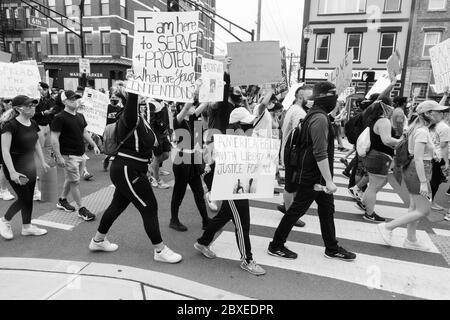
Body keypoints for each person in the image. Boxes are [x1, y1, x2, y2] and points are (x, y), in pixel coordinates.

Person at [89, 75, 182, 264]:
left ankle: (98, 240)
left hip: (133, 169)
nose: (144, 96)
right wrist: (135, 82)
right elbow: (132, 100)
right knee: (149, 207)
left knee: (117, 206)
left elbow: (149, 144)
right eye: (140, 94)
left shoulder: (140, 118)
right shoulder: (128, 117)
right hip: (126, 169)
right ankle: (159, 250)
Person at [267, 82, 356, 262]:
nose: (336, 99)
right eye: (334, 96)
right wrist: (329, 181)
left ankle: (331, 247)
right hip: (313, 177)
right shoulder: (319, 119)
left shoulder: (315, 115)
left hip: (314, 175)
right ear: (325, 97)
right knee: (296, 211)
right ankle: (276, 245)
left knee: (326, 210)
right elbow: (319, 153)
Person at [194, 96, 272, 276]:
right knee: (243, 223)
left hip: (239, 184)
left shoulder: (240, 139)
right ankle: (247, 260)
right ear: (235, 125)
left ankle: (203, 242)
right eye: (246, 125)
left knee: (223, 216)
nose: (249, 127)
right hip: (232, 187)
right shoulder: (224, 141)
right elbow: (210, 163)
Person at [377, 101, 448, 251]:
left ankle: (411, 239)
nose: (441, 114)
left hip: (416, 170)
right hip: (419, 171)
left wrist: (433, 153)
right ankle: (388, 226)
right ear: (428, 114)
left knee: (414, 207)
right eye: (437, 111)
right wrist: (423, 182)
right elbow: (418, 158)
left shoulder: (418, 128)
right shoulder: (422, 131)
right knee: (424, 210)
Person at [0, 96, 50, 240]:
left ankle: (27, 227)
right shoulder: (10, 125)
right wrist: (12, 171)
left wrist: (43, 162)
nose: (32, 108)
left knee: (29, 198)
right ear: (18, 109)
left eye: (33, 105)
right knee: (24, 197)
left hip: (30, 165)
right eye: (28, 106)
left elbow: (36, 144)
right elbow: (5, 150)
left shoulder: (33, 123)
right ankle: (4, 220)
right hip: (15, 166)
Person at [51, 90, 100, 221]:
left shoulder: (80, 116)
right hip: (68, 155)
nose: (75, 101)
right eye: (72, 99)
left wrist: (94, 145)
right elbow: (54, 138)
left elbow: (84, 132)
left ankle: (62, 200)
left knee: (71, 179)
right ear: (64, 101)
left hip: (81, 154)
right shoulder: (59, 118)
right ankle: (81, 208)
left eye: (77, 98)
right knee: (75, 182)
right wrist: (59, 156)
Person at [170, 101, 210, 232]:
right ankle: (174, 220)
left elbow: (204, 104)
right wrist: (190, 97)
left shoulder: (192, 118)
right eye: (192, 106)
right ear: (183, 107)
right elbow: (187, 106)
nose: (194, 107)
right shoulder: (178, 121)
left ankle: (205, 220)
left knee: (199, 192)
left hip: (193, 161)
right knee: (179, 192)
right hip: (181, 161)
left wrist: (212, 91)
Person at [359, 101, 402, 222]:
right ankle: (369, 213)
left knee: (378, 183)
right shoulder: (384, 121)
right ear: (385, 107)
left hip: (374, 155)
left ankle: (365, 203)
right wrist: (402, 141)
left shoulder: (374, 119)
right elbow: (387, 140)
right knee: (374, 186)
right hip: (379, 156)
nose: (393, 108)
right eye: (391, 105)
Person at [278, 86, 310, 228]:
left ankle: (288, 207)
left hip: (289, 150)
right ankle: (290, 214)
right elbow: (302, 134)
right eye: (309, 97)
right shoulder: (299, 112)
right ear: (301, 97)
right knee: (291, 185)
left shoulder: (293, 109)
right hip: (293, 153)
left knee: (293, 184)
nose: (311, 100)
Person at [149, 99, 171, 189]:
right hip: (157, 134)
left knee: (166, 155)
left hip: (164, 133)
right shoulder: (151, 104)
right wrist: (154, 137)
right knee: (157, 157)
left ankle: (152, 167)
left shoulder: (163, 102)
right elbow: (151, 123)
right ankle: (156, 180)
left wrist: (169, 131)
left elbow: (167, 119)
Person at [103, 89, 126, 171]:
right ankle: (107, 157)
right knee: (110, 145)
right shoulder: (107, 107)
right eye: (112, 97)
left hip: (116, 129)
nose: (114, 99)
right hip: (108, 129)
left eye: (115, 97)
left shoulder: (120, 108)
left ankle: (111, 159)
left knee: (117, 145)